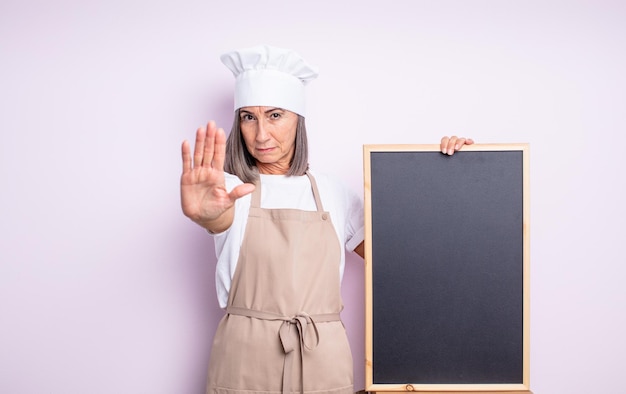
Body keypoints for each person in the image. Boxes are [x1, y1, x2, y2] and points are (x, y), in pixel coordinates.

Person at [180, 45, 473, 394]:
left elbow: (403, 264)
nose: (260, 134)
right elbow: (220, 218)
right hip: (244, 360)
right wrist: (209, 218)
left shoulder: (335, 193)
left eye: (275, 115)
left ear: (298, 120)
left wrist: (456, 173)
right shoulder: (228, 190)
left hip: (322, 358)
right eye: (248, 117)